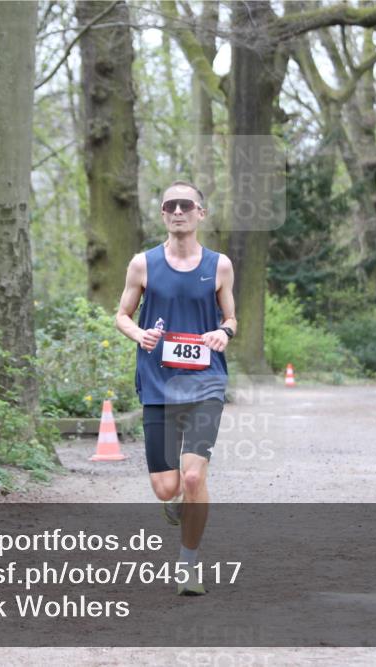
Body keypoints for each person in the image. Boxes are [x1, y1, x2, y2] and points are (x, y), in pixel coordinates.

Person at [115, 180, 236, 596]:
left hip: (206, 384)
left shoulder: (219, 265)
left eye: (187, 205)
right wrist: (139, 334)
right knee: (167, 488)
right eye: (171, 205)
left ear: (201, 213)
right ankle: (181, 501)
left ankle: (189, 566)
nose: (178, 211)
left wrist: (224, 333)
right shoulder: (142, 264)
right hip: (157, 384)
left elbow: (231, 318)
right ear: (163, 214)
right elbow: (122, 315)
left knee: (190, 477)